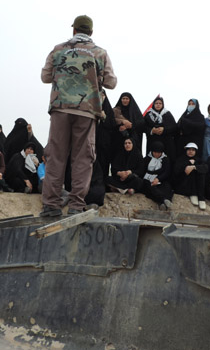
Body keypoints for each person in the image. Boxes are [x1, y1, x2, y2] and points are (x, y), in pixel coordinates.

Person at [40, 15, 117, 216]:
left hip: (60, 108)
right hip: (87, 110)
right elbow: (111, 82)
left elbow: (45, 77)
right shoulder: (100, 53)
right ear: (91, 32)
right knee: (83, 158)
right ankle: (76, 205)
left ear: (74, 30)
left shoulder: (58, 50)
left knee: (56, 155)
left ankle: (51, 205)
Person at [137, 141, 174, 211]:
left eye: (159, 153)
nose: (157, 154)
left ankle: (165, 202)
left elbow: (166, 172)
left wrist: (158, 179)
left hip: (160, 179)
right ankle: (163, 200)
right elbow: (142, 171)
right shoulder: (147, 159)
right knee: (150, 189)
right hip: (148, 178)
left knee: (167, 187)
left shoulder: (165, 159)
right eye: (155, 152)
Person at [173, 142, 208, 210]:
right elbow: (176, 171)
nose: (191, 151)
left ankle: (201, 198)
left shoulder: (198, 160)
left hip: (197, 187)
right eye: (189, 149)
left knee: (200, 172)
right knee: (192, 172)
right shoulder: (180, 159)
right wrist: (187, 164)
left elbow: (206, 168)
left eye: (193, 150)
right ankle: (193, 194)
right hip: (183, 185)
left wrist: (194, 167)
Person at [144, 96, 177, 162]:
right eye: (156, 103)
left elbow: (174, 127)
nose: (158, 105)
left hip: (166, 142)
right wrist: (152, 131)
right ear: (153, 104)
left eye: (160, 103)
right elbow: (143, 127)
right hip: (153, 141)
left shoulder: (167, 114)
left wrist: (164, 130)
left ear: (163, 104)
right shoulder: (148, 114)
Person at [112, 92, 145, 157]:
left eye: (127, 99)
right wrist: (122, 122)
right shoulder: (116, 110)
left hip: (133, 139)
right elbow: (111, 121)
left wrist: (130, 126)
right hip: (119, 139)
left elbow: (141, 123)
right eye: (123, 98)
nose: (125, 100)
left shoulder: (135, 111)